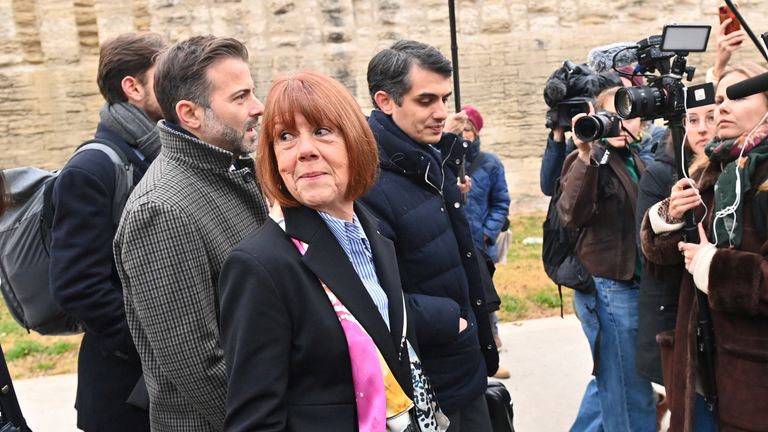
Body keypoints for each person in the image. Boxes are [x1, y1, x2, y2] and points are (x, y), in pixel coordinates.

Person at [219, 70, 444, 432]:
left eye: (322, 131)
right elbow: (255, 422)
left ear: (354, 141)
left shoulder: (374, 237)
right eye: (286, 137)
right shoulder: (261, 266)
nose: (305, 151)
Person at [113, 35, 268, 431]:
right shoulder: (162, 210)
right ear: (190, 114)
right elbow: (198, 365)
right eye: (240, 97)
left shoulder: (230, 172)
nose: (258, 107)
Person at [361, 39, 498, 432]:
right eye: (426, 101)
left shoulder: (430, 156)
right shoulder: (367, 180)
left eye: (444, 98)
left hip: (465, 365)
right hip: (428, 384)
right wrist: (449, 320)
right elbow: (368, 293)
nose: (442, 113)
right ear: (386, 101)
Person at [48, 32, 166, 432]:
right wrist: (150, 348)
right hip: (123, 394)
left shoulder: (155, 154)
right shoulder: (93, 169)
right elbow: (78, 285)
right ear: (132, 87)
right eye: (163, 76)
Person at [641, 63, 768, 432]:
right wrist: (664, 219)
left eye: (739, 95)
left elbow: (707, 265)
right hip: (702, 364)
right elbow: (665, 263)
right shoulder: (709, 171)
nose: (722, 107)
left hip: (754, 373)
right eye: (719, 99)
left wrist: (714, 268)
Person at [558, 86, 655, 432]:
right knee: (629, 392)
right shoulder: (589, 159)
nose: (620, 124)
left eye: (628, 113)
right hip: (609, 287)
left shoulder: (637, 158)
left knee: (615, 384)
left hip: (636, 283)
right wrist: (584, 154)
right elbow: (571, 213)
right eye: (611, 116)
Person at [634, 103, 715, 389]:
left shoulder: (735, 166)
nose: (702, 127)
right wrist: (669, 216)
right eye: (692, 120)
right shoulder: (661, 173)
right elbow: (645, 249)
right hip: (676, 311)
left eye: (711, 117)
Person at [460, 105, 511, 380]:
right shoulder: (444, 159)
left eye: (468, 129)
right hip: (453, 244)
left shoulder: (489, 163)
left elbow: (500, 202)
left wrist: (487, 233)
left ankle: (491, 344)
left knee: (484, 295)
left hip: (479, 244)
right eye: (459, 129)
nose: (464, 134)